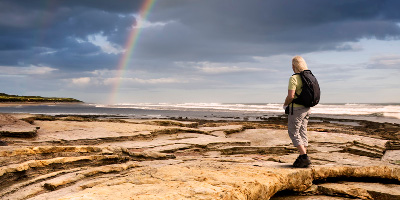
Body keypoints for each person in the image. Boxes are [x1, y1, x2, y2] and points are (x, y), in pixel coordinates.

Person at [283, 56, 311, 168]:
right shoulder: (309, 77)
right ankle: (303, 156)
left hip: (297, 109)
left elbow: (291, 96)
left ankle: (304, 157)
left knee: (293, 132)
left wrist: (285, 104)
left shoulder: (294, 78)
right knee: (303, 131)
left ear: (294, 65)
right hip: (308, 108)